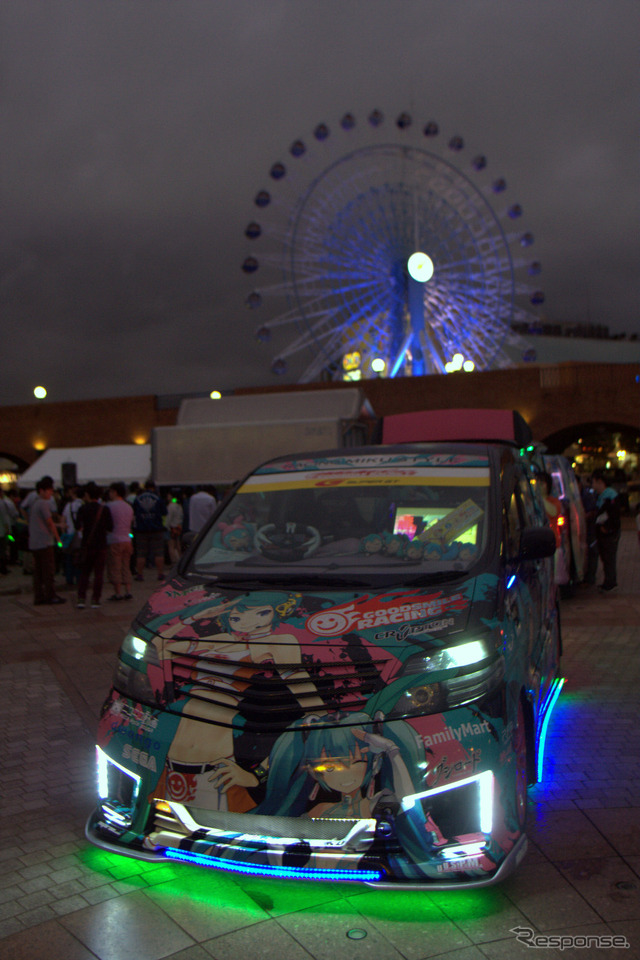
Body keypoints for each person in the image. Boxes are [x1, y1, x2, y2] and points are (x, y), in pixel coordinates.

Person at [27, 477, 66, 605]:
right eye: (49, 491)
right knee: (48, 570)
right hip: (44, 542)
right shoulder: (43, 503)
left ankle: (39, 596)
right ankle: (51, 595)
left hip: (35, 542)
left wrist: (58, 526)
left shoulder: (34, 503)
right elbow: (49, 523)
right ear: (42, 491)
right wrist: (58, 538)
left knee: (38, 572)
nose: (51, 494)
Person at [76, 482, 113, 608]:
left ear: (87, 494)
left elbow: (78, 526)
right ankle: (95, 599)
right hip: (101, 545)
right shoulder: (104, 509)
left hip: (87, 544)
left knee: (85, 573)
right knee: (99, 574)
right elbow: (110, 527)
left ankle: (81, 598)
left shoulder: (83, 509)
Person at [591, 469, 621, 593]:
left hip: (610, 533)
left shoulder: (610, 496)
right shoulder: (603, 496)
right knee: (606, 557)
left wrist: (607, 528)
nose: (592, 486)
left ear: (600, 482)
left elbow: (614, 515)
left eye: (593, 482)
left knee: (609, 557)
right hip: (605, 533)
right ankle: (608, 582)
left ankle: (610, 583)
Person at [133, 480, 167, 581]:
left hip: (141, 530)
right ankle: (160, 573)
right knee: (159, 553)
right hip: (156, 529)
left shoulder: (138, 499)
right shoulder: (158, 498)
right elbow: (164, 512)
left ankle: (140, 574)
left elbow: (134, 513)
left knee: (141, 554)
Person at [106, 482, 134, 601]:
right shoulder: (129, 507)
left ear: (115, 492)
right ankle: (128, 590)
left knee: (115, 566)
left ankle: (118, 592)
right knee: (125, 565)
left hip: (114, 539)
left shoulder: (109, 506)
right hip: (127, 539)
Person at [166, 491, 184, 564]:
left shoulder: (170, 506)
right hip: (178, 526)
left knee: (171, 546)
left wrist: (166, 527)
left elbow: (168, 518)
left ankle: (174, 561)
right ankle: (180, 560)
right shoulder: (179, 506)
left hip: (172, 527)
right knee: (178, 545)